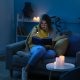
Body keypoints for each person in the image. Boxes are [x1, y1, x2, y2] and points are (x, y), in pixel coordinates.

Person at [24, 14, 68, 80]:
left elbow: (54, 40)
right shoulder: (36, 28)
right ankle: (27, 68)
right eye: (42, 23)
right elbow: (31, 38)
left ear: (49, 23)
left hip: (47, 49)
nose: (43, 25)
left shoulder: (53, 30)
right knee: (41, 49)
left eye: (45, 23)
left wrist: (51, 42)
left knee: (53, 53)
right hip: (35, 47)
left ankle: (32, 56)